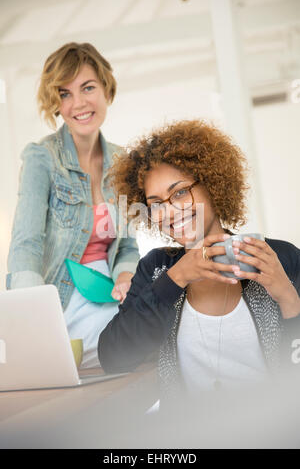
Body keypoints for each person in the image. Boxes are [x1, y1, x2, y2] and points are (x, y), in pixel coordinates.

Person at [98, 119, 300, 402]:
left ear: (213, 185)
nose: (169, 212)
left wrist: (290, 300)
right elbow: (114, 357)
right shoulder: (157, 268)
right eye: (156, 203)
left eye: (180, 192)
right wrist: (176, 278)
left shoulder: (281, 258)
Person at [6, 42, 140, 368]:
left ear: (106, 89)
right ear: (56, 103)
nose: (78, 103)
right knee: (133, 347)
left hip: (109, 296)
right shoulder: (42, 158)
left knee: (153, 334)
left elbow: (127, 247)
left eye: (88, 87)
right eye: (65, 94)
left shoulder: (123, 162)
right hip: (62, 303)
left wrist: (125, 278)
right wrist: (33, 324)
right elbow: (26, 245)